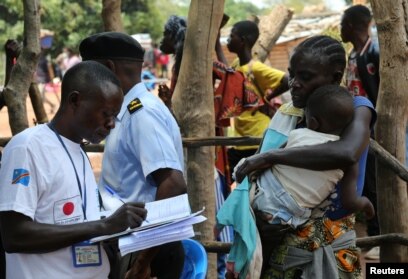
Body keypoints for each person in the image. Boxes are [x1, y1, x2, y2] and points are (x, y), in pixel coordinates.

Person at [220, 35, 376, 279]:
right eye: (291, 74)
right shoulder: (288, 113)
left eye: (306, 77)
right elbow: (263, 182)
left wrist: (269, 157)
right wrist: (260, 220)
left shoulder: (355, 109)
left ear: (335, 77)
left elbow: (346, 152)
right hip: (277, 244)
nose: (294, 83)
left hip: (330, 244)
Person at [0, 61, 147, 279]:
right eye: (105, 113)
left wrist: (116, 230)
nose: (111, 124)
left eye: (114, 116)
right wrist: (103, 226)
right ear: (74, 101)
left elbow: (77, 226)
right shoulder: (28, 147)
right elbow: (14, 235)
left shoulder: (78, 150)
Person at [79, 32, 187, 279]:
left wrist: (141, 264)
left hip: (146, 251)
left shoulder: (142, 113)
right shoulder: (128, 110)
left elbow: (173, 185)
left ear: (108, 68)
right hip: (135, 245)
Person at [251, 85, 374, 229]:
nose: (295, 84)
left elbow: (270, 161)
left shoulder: (297, 134)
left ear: (313, 122)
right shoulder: (347, 162)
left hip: (262, 192)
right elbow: (350, 202)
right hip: (288, 212)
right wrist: (366, 204)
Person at [215, 20, 289, 183]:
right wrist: (216, 45)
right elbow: (227, 74)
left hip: (256, 137)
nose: (228, 39)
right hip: (241, 139)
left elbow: (287, 79)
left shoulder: (255, 68)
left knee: (249, 183)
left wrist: (267, 98)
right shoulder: (236, 64)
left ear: (243, 40)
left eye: (231, 36)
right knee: (229, 179)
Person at [341, 4, 381, 260]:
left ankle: (381, 235)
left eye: (342, 24)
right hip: (357, 128)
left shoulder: (374, 51)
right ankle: (372, 235)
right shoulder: (353, 55)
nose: (340, 29)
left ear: (352, 26)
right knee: (365, 181)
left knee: (377, 182)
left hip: (374, 127)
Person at [157, 15, 187, 109]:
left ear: (174, 37)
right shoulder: (178, 65)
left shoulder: (186, 66)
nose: (162, 40)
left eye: (165, 34)